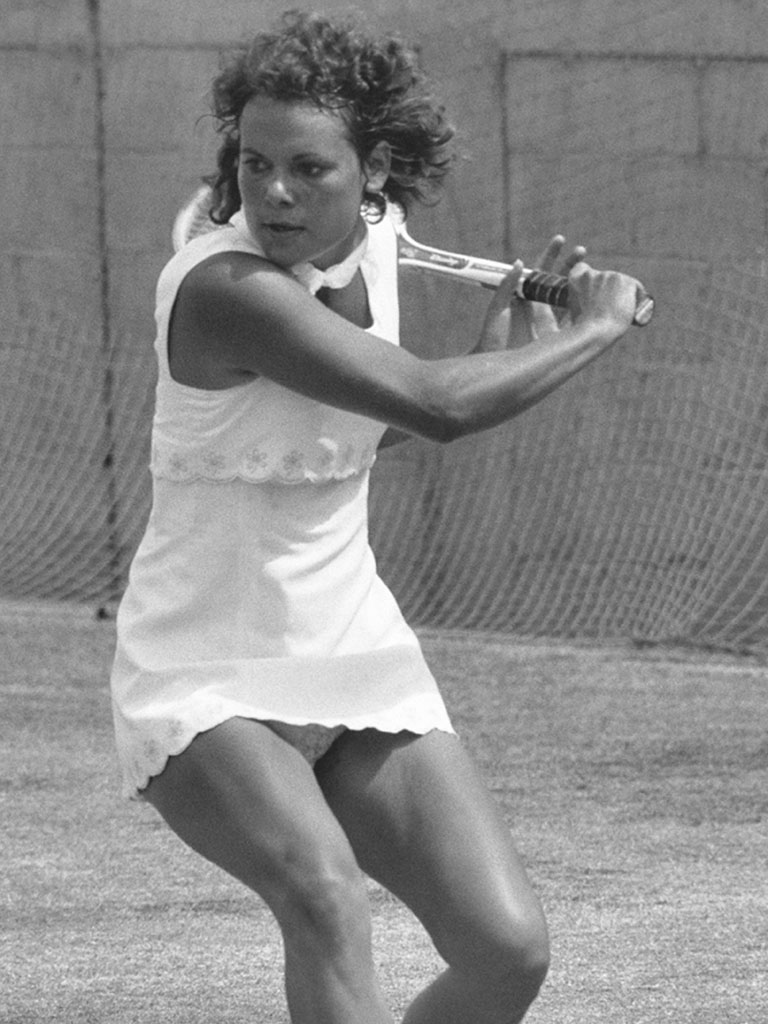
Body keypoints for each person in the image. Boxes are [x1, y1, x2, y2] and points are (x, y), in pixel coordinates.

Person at [110, 10, 641, 1024]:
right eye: (255, 162)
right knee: (324, 898)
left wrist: (491, 354)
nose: (273, 191)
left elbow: (362, 433)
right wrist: (598, 328)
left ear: (373, 172)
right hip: (203, 672)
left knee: (506, 949)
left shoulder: (376, 254)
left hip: (352, 655)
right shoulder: (224, 287)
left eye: (309, 169)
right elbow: (437, 408)